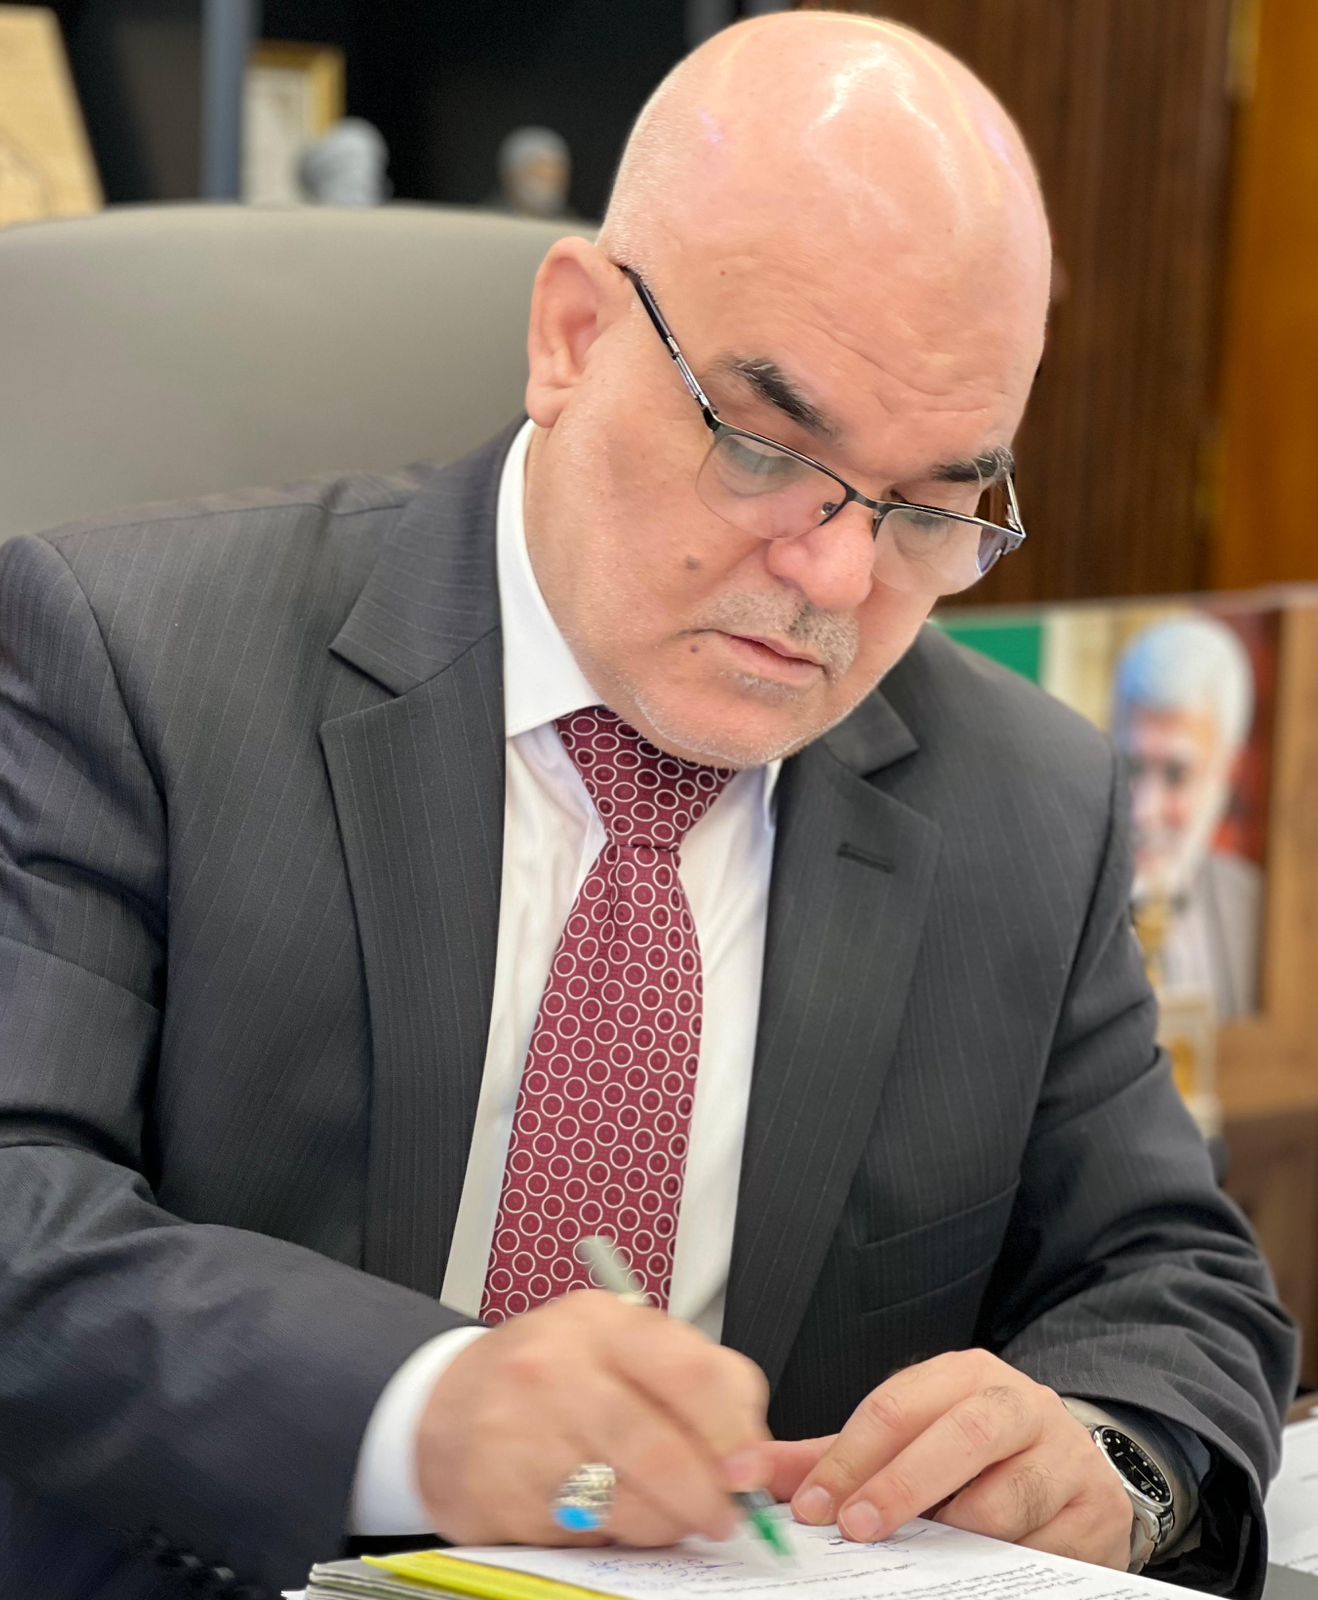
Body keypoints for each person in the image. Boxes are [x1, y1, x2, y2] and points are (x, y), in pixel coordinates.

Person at [0, 13, 1295, 1600]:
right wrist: (427, 1410)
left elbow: (1173, 1277)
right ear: (570, 337)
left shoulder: (1024, 802)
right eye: (764, 445)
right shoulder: (126, 663)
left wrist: (1103, 1460)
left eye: (932, 505)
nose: (835, 576)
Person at [1113, 615, 1263, 1018]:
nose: (1144, 811)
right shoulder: (1060, 899)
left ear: (1227, 773)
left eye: (1176, 775)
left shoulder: (1259, 913)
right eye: (1131, 766)